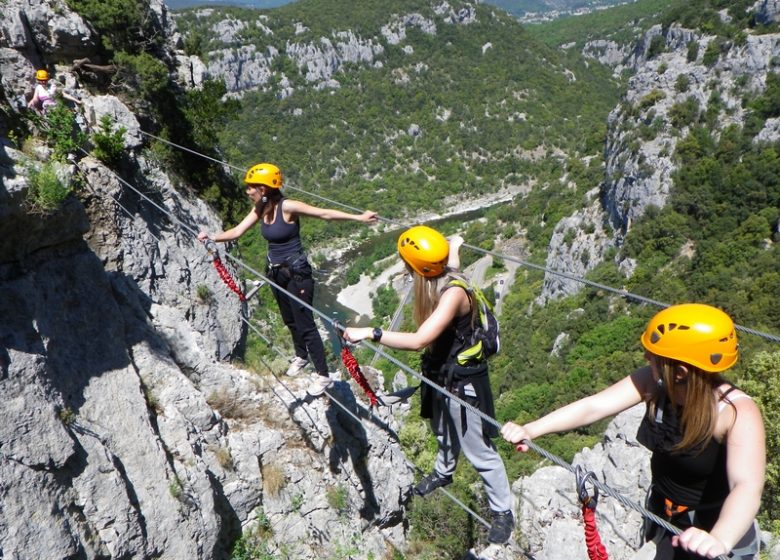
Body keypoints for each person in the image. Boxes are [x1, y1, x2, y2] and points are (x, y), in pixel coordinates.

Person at [500, 303, 765, 559]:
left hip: (714, 530)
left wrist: (719, 538)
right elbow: (594, 406)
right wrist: (532, 429)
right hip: (666, 519)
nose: (645, 357)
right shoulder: (657, 383)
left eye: (653, 355)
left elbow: (746, 486)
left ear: (681, 372)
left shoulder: (735, 413)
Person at [343, 225, 514, 545]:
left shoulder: (452, 295)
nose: (405, 269)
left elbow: (420, 339)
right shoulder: (442, 275)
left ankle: (503, 511)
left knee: (479, 451)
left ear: (417, 267)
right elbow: (453, 266)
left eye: (407, 265)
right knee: (440, 427)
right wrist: (455, 246)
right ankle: (444, 470)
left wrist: (371, 333)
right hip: (441, 375)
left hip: (463, 382)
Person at [198, 163, 377, 396]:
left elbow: (324, 214)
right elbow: (238, 231)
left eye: (251, 187)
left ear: (264, 188)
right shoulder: (261, 208)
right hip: (275, 272)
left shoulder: (288, 206)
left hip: (297, 275)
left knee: (306, 325)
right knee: (290, 320)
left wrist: (360, 218)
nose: (247, 191)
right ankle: (301, 356)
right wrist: (212, 237)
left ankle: (323, 376)